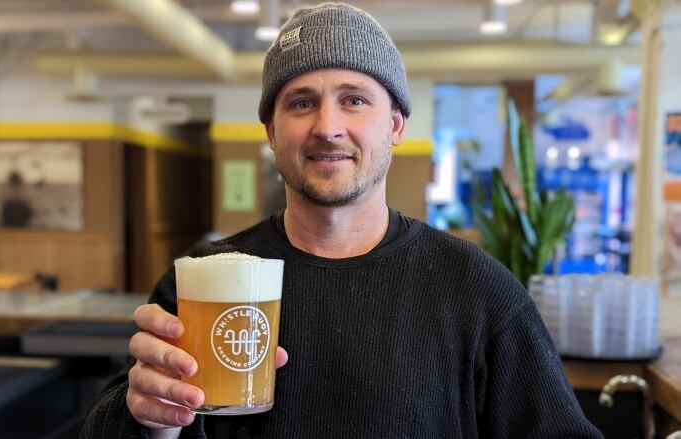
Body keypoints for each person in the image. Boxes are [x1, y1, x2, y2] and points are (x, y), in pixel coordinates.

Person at [81, 3, 603, 438]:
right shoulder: (201, 280)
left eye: (354, 100)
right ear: (270, 131)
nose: (327, 127)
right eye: (301, 103)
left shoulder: (476, 289)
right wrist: (149, 422)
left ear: (396, 124)